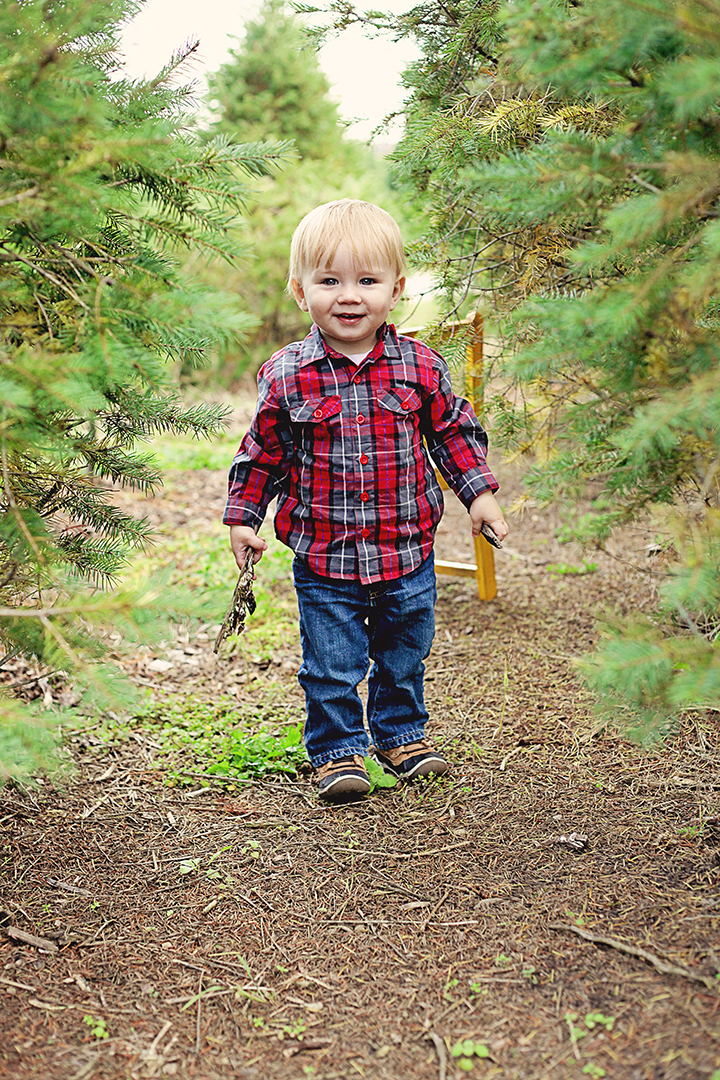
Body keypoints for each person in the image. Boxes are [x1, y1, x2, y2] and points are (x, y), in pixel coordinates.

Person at [223, 198, 508, 803]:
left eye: (366, 281)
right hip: (324, 554)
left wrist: (479, 495)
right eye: (329, 281)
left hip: (407, 550)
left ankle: (401, 736)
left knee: (405, 653)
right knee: (331, 662)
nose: (348, 296)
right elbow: (262, 455)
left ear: (396, 289)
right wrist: (245, 518)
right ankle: (337, 752)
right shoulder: (287, 374)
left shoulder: (419, 367)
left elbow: (454, 433)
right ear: (300, 292)